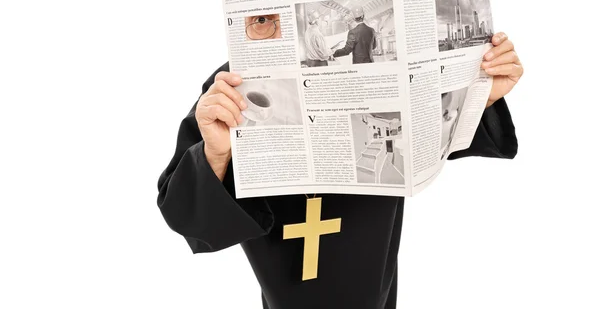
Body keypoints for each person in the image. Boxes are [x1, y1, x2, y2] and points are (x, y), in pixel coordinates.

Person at [156, 32, 523, 309]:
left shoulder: (394, 71)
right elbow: (185, 213)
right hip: (286, 281)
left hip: (373, 278)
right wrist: (216, 153)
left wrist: (480, 93)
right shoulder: (233, 86)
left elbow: (437, 131)